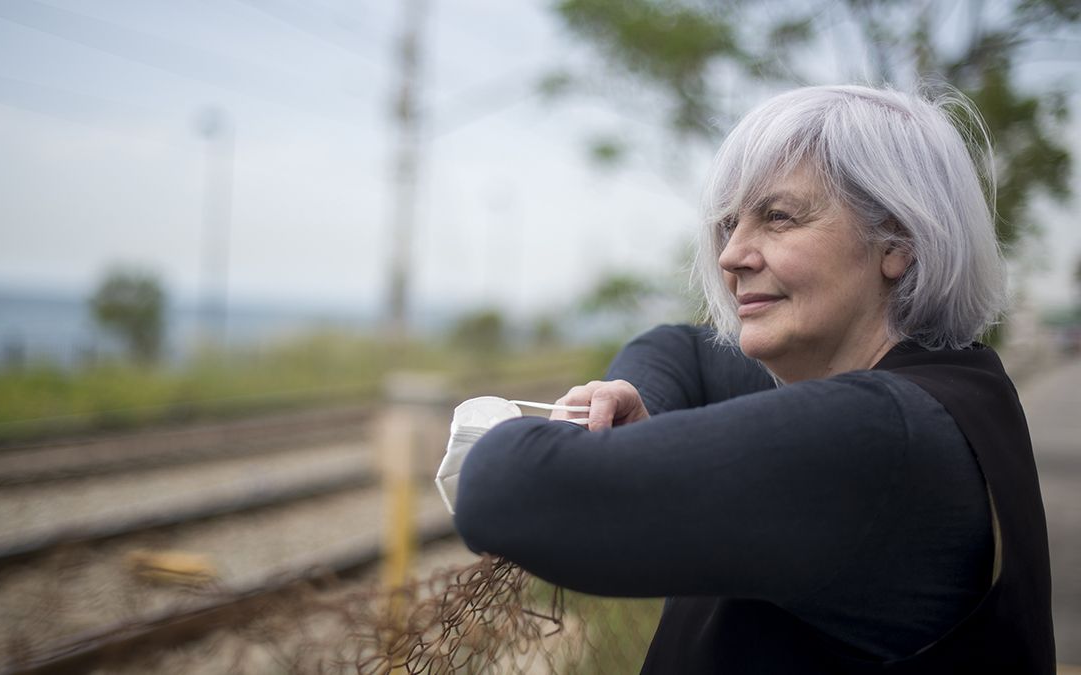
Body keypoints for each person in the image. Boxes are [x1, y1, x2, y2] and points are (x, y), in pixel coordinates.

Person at [452, 85, 1055, 674]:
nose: (731, 254)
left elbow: (507, 491)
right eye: (729, 222)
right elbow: (680, 349)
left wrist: (535, 438)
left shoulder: (877, 435)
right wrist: (634, 399)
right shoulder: (953, 385)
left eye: (779, 217)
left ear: (896, 242)